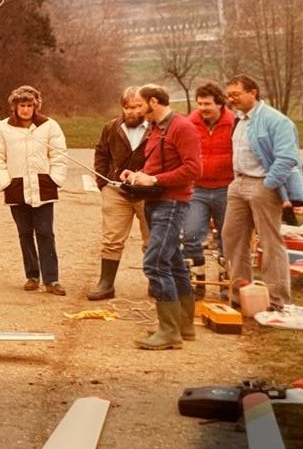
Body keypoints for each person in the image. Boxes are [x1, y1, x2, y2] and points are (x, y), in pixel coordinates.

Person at [120, 84, 201, 350]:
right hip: (155, 201)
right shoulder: (157, 128)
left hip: (172, 204)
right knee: (174, 262)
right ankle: (182, 325)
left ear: (153, 102)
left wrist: (154, 178)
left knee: (154, 263)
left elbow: (192, 168)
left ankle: (169, 332)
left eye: (140, 105)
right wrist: (136, 174)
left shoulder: (182, 127)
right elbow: (158, 164)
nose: (136, 110)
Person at [223, 74, 303, 310]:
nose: (232, 100)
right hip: (238, 184)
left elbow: (287, 157)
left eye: (236, 94)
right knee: (232, 238)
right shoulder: (240, 120)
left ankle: (278, 300)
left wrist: (268, 184)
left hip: (262, 185)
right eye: (229, 96)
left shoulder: (276, 121)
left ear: (253, 92)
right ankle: (241, 295)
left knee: (269, 242)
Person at [0, 85, 68, 295]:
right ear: (15, 106)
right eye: (22, 105)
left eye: (29, 105)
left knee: (45, 233)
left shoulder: (49, 126)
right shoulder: (2, 128)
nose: (25, 109)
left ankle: (51, 279)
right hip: (16, 186)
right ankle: (32, 275)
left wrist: (55, 179)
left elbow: (59, 155)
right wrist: (5, 182)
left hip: (43, 186)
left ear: (36, 106)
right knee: (25, 233)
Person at [87, 86, 150, 301]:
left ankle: (156, 282)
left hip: (148, 192)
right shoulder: (111, 128)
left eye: (136, 106)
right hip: (116, 191)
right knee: (111, 239)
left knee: (152, 238)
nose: (131, 111)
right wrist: (102, 183)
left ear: (147, 105)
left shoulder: (157, 129)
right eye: (127, 107)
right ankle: (106, 283)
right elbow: (101, 154)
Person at [183, 81, 234, 299]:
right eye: (200, 103)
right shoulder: (190, 123)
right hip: (198, 189)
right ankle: (197, 280)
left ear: (220, 103)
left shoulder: (234, 123)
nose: (203, 108)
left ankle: (226, 284)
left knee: (227, 238)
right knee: (192, 234)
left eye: (208, 104)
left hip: (226, 188)